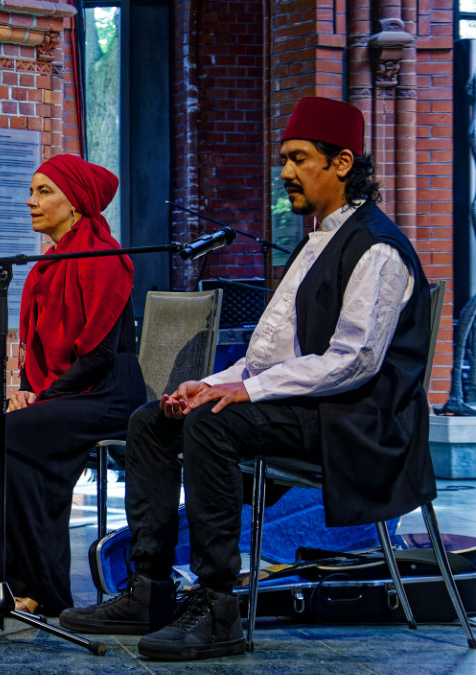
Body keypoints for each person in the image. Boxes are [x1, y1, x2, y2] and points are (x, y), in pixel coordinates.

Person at [60, 97, 433, 660]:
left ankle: (217, 607)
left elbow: (353, 360)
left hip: (364, 422)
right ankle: (149, 591)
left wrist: (243, 393)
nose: (284, 171)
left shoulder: (376, 247)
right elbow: (269, 353)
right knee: (153, 421)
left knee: (214, 426)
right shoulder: (321, 238)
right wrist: (212, 383)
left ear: (342, 163)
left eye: (299, 158)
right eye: (284, 158)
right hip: (322, 408)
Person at [0, 154, 145, 616]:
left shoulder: (105, 258)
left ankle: (38, 588)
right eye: (31, 190)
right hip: (64, 392)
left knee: (7, 435)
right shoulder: (48, 265)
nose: (30, 201)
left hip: (106, 394)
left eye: (44, 191)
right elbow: (41, 350)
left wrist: (40, 398)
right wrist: (27, 389)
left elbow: (99, 357)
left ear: (76, 203)